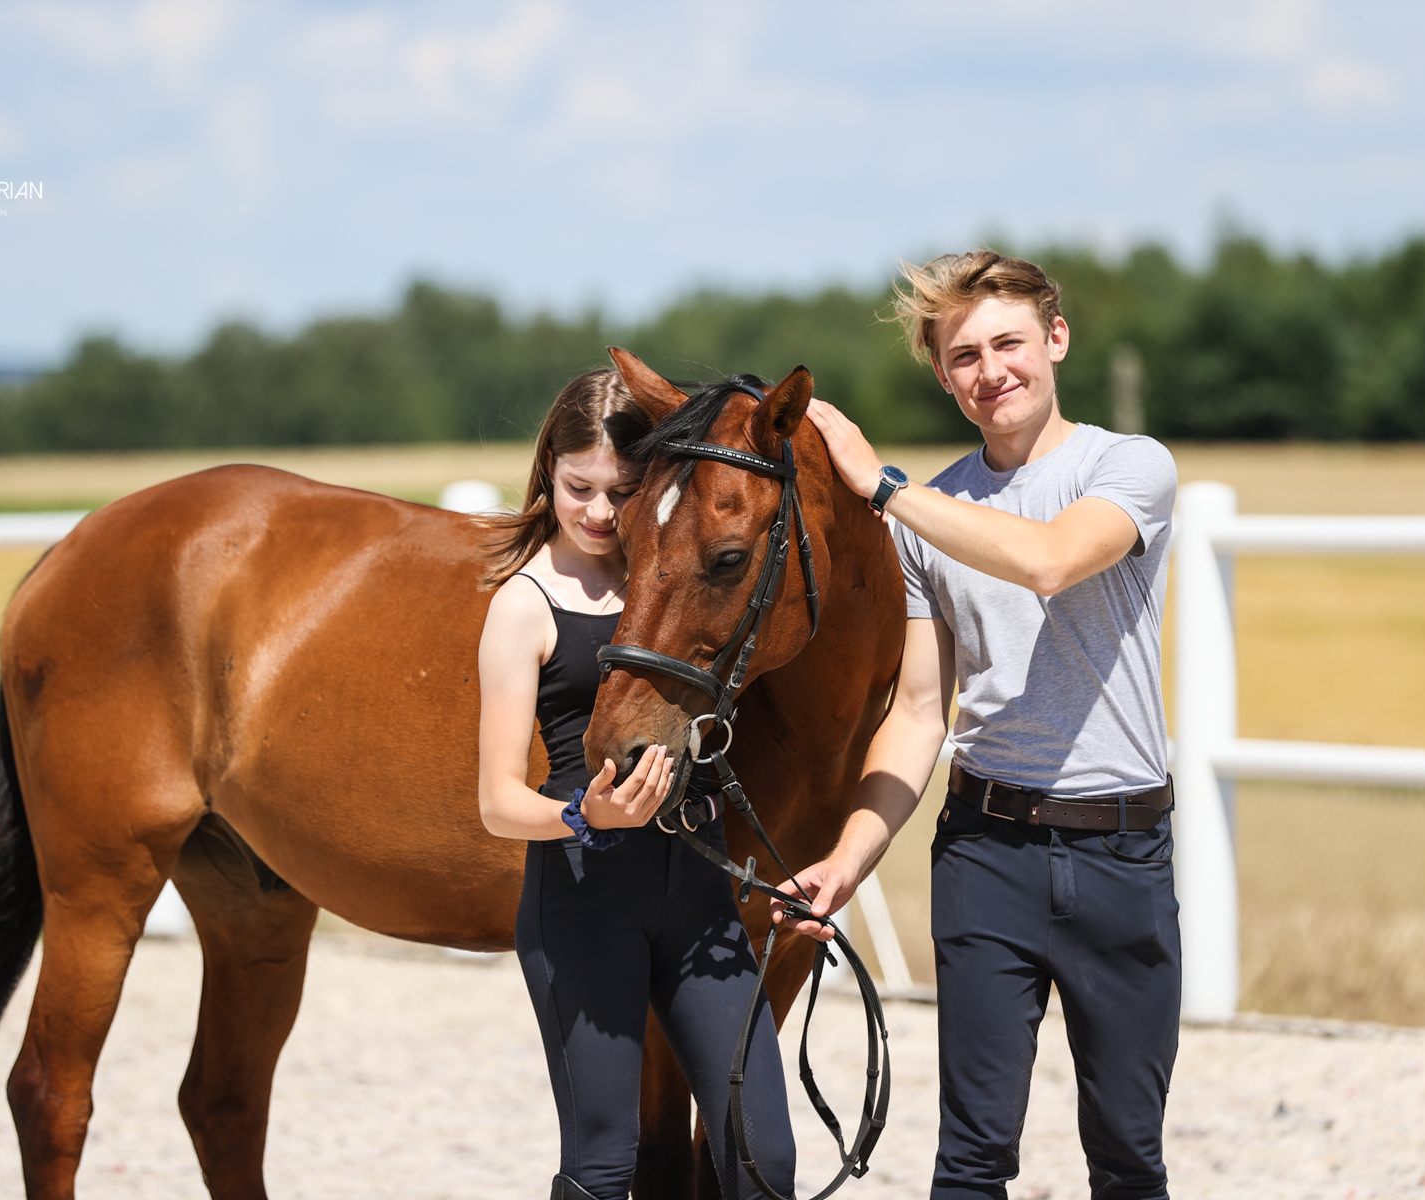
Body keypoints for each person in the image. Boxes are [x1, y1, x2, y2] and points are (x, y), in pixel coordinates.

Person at [776, 251, 1181, 1200]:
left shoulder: (1130, 466)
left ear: (1056, 340)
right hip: (985, 856)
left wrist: (884, 488)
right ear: (944, 375)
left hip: (1123, 855)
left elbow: (1049, 562)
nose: (992, 370)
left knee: (1128, 1158)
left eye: (1009, 343)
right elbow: (920, 713)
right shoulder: (929, 516)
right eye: (964, 356)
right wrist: (848, 860)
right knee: (970, 1162)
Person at [476, 368, 797, 1200]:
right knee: (603, 1167)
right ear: (547, 468)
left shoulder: (670, 576)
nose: (595, 511)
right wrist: (585, 816)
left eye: (619, 492)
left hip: (696, 898)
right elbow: (497, 801)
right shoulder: (525, 605)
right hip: (585, 897)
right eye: (577, 486)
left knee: (765, 1157)